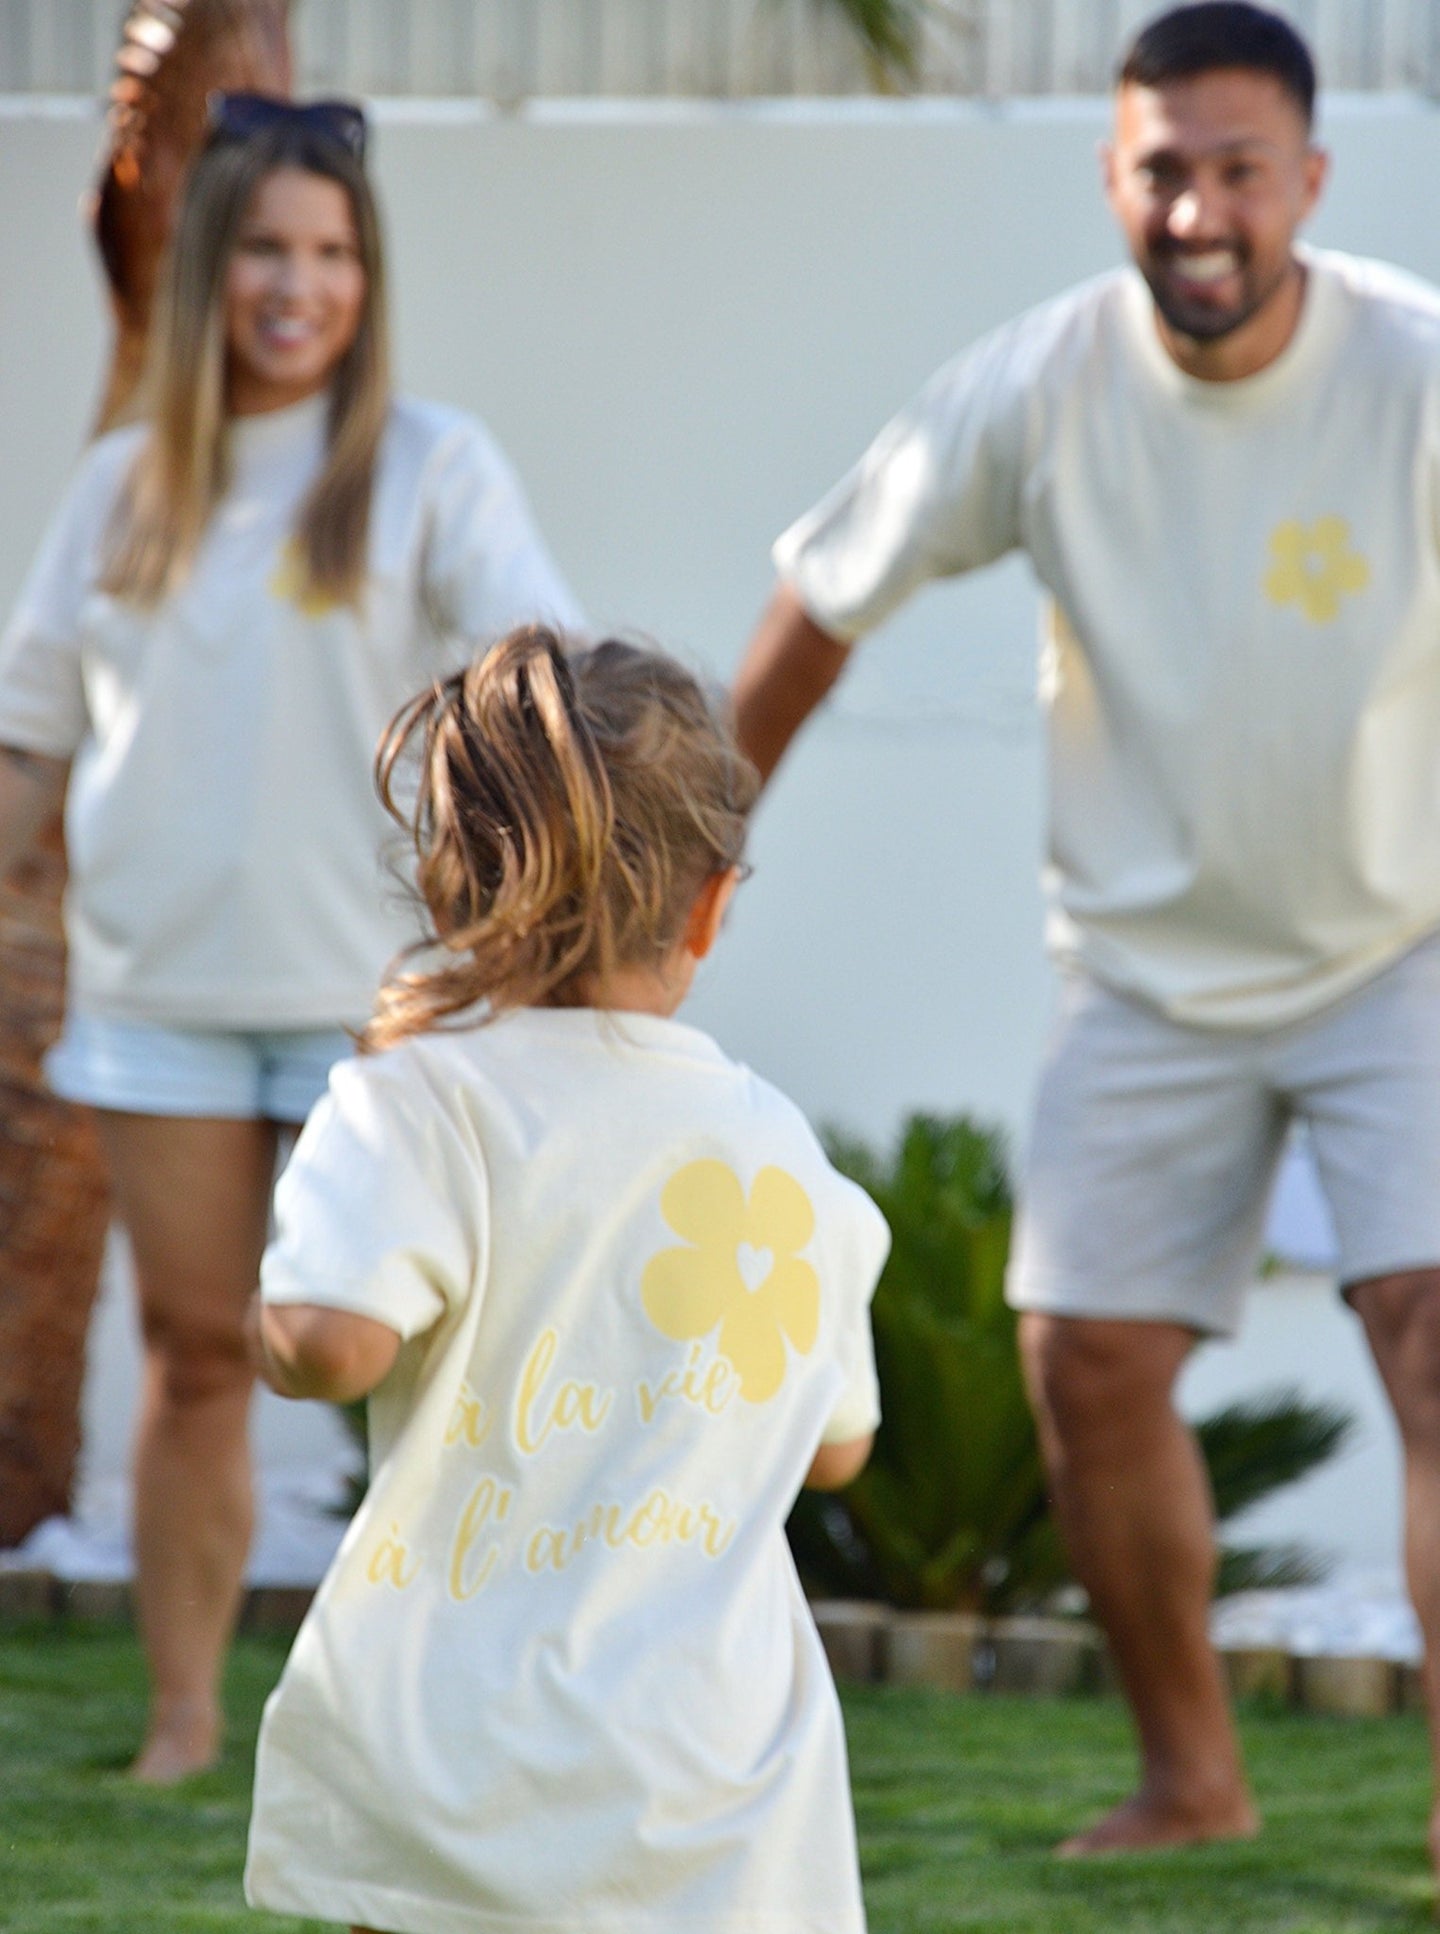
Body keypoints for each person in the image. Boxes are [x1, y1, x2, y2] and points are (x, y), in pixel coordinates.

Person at [731, 0, 1440, 1873]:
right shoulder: (1032, 387)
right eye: (1161, 172)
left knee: (1429, 1333)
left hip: (1410, 944)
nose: (1199, 212)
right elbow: (819, 605)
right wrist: (680, 867)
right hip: (1144, 970)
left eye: (1237, 171)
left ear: (1310, 179)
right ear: (1110, 177)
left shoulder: (1420, 368)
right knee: (1086, 1364)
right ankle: (1194, 1779)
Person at [0, 94, 582, 1784]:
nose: (296, 285)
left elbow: (535, 691)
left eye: (332, 254)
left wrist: (550, 921)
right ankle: (186, 1719)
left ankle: (441, 1721)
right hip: (158, 1006)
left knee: (410, 1369)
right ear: (207, 268)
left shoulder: (432, 469)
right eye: (265, 247)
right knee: (198, 1357)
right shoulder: (121, 487)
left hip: (383, 1014)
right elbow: (31, 742)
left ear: (367, 277)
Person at [242, 626, 889, 1934]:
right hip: (715, 1777)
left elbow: (331, 1340)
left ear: (451, 886)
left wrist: (277, 1326)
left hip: (453, 1761)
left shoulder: (419, 1104)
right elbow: (839, 1449)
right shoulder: (783, 1157)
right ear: (713, 901)